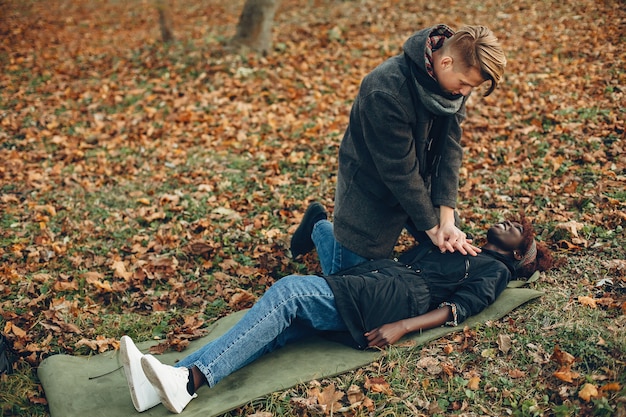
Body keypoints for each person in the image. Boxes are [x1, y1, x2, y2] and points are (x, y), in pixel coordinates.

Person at [120, 211, 553, 414]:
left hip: (391, 300)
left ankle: (189, 381)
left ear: (521, 256)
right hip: (378, 277)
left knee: (290, 294)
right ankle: (163, 382)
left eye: (519, 230)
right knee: (284, 319)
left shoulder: (494, 271)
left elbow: (460, 308)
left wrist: (402, 327)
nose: (509, 223)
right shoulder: (464, 244)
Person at [291, 25, 507, 274]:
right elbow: (399, 171)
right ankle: (318, 225)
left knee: (449, 254)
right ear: (446, 62)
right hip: (371, 185)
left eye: (472, 87)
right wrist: (433, 229)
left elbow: (450, 148)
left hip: (419, 181)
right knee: (351, 280)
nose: (466, 92)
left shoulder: (454, 84)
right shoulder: (384, 90)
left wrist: (446, 219)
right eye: (465, 84)